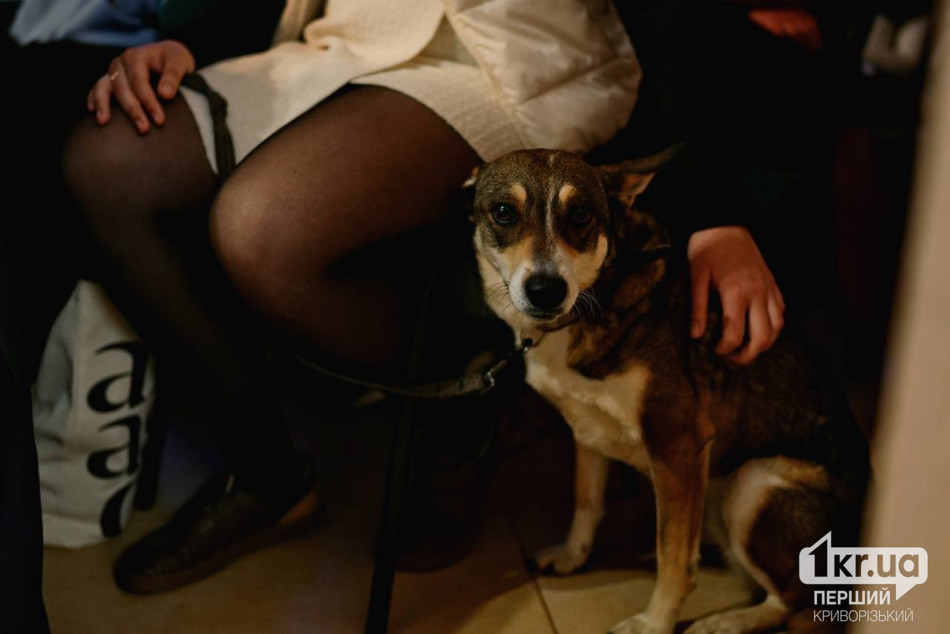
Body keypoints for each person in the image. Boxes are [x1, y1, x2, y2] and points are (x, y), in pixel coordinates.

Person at [60, 0, 785, 595]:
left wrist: (720, 212)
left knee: (259, 231)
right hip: (342, 32)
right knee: (110, 162)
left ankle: (461, 402)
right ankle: (263, 473)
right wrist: (192, 38)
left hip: (519, 56)